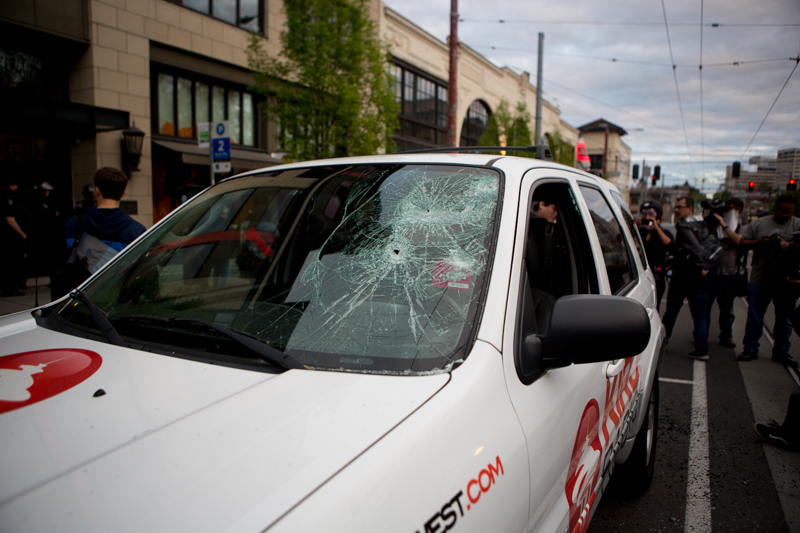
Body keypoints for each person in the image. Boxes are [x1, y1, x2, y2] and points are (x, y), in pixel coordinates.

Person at [51, 167, 146, 299]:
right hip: (116, 304)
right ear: (123, 193)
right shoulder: (137, 231)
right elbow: (142, 279)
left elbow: (58, 272)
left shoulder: (72, 226)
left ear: (96, 191)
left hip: (77, 304)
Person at [737, 194, 800, 366]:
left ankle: (781, 351)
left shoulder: (797, 224)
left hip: (787, 280)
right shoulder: (759, 223)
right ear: (775, 207)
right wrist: (758, 242)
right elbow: (742, 243)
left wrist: (789, 246)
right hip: (760, 277)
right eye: (781, 211)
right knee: (754, 316)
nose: (785, 215)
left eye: (789, 212)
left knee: (785, 319)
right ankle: (750, 348)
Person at [661, 196, 716, 360]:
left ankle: (662, 341)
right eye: (676, 207)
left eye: (680, 207)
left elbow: (695, 250)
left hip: (683, 276)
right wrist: (704, 267)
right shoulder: (702, 225)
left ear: (690, 208)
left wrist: (700, 266)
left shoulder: (685, 226)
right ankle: (702, 349)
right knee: (699, 314)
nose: (677, 210)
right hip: (697, 277)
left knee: (672, 311)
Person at [705, 197, 744, 348]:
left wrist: (724, 225)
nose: (732, 211)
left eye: (736, 209)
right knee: (704, 307)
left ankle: (726, 336)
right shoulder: (713, 225)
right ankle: (701, 335)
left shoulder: (740, 227)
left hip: (729, 273)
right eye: (729, 208)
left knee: (727, 310)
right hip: (711, 272)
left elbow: (738, 241)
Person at [636, 200, 673, 311]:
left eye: (651, 214)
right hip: (641, 274)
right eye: (644, 214)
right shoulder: (640, 232)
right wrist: (634, 227)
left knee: (655, 307)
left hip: (657, 276)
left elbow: (670, 246)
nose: (647, 217)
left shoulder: (664, 233)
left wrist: (656, 228)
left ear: (658, 215)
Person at [1, 176, 29, 296]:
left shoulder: (12, 199)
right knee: (10, 262)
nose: (15, 188)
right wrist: (23, 235)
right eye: (13, 185)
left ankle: (11, 286)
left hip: (11, 237)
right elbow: (10, 220)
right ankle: (8, 288)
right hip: (8, 238)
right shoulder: (5, 199)